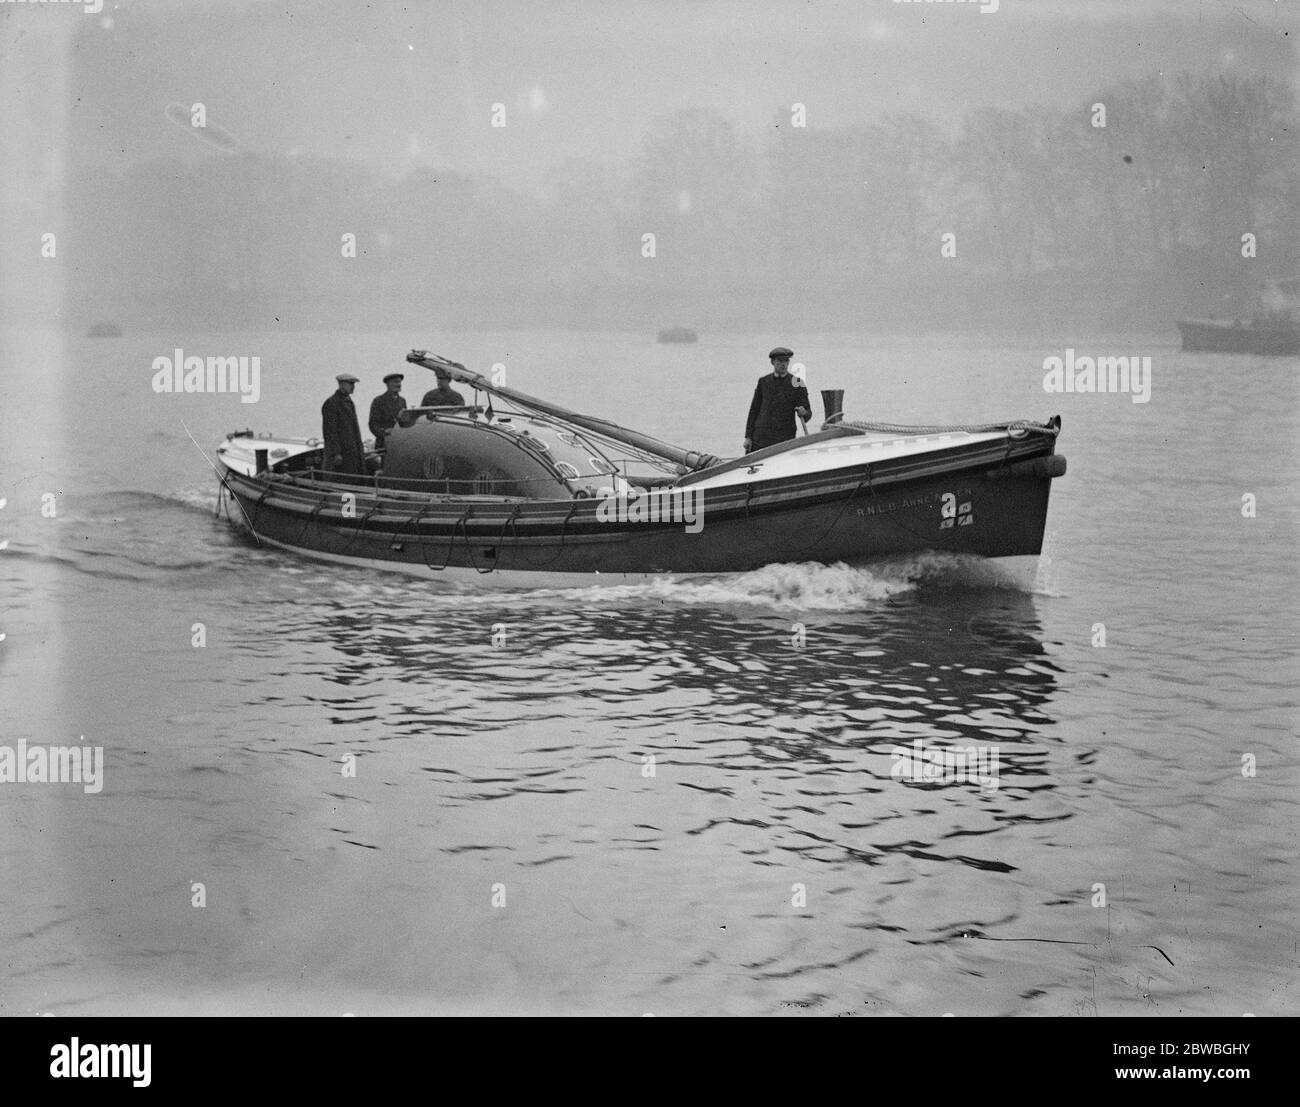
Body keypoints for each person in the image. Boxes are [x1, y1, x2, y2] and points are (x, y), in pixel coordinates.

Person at [744, 346, 811, 453]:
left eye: (786, 361)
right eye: (780, 361)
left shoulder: (797, 383)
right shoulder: (763, 382)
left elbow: (807, 412)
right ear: (772, 362)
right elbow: (754, 410)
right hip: (761, 438)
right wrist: (748, 436)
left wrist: (804, 412)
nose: (783, 364)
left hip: (784, 439)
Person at [321, 373, 365, 475]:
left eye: (353, 384)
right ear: (341, 384)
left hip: (352, 450)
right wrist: (336, 453)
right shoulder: (331, 403)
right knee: (342, 478)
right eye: (350, 384)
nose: (353, 386)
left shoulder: (349, 402)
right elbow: (330, 431)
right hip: (342, 453)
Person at [368, 372, 407, 450]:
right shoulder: (378, 401)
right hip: (384, 444)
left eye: (400, 382)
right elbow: (373, 424)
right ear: (388, 384)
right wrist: (385, 433)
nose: (399, 384)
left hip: (400, 443)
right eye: (396, 382)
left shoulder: (402, 401)